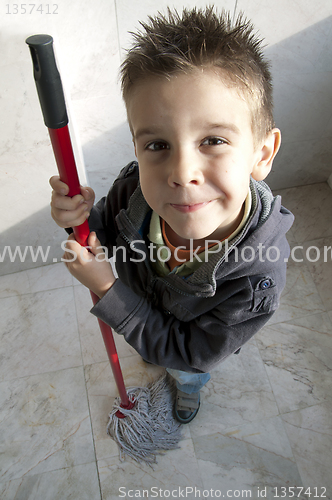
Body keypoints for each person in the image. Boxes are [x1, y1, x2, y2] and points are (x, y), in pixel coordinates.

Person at [50, 7, 294, 424]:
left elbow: (192, 351)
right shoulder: (133, 191)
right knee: (152, 346)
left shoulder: (256, 279)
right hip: (139, 307)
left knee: (182, 370)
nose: (181, 174)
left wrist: (109, 291)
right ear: (136, 147)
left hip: (184, 349)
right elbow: (103, 231)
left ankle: (186, 393)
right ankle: (148, 342)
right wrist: (79, 217)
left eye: (213, 140)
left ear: (262, 153)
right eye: (158, 145)